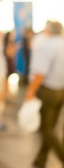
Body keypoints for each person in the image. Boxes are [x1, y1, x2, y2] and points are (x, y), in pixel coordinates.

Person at [26, 21, 64, 168]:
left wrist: (30, 91)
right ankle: (40, 159)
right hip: (61, 91)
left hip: (49, 91)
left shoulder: (46, 46)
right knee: (51, 128)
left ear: (48, 31)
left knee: (46, 129)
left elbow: (39, 74)